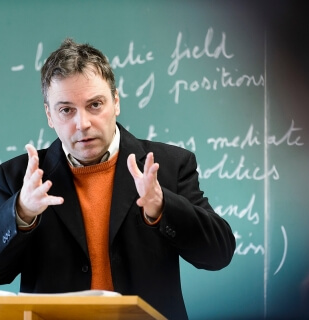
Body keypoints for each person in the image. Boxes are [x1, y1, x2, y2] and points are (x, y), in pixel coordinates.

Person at [0, 38, 235, 319]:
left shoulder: (168, 166)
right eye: (66, 110)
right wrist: (21, 213)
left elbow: (219, 254)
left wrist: (162, 207)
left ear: (116, 102)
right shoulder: (18, 177)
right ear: (50, 115)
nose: (82, 123)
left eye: (95, 105)